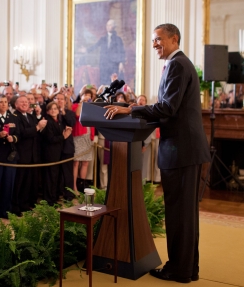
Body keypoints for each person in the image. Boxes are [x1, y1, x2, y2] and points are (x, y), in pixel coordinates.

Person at [104, 23, 210, 283]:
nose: (154, 45)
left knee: (179, 215)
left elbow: (167, 108)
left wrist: (131, 109)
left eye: (158, 39)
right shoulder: (180, 64)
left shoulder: (177, 65)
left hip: (181, 152)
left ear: (174, 39)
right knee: (184, 215)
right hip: (184, 151)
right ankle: (187, 269)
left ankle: (179, 270)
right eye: (152, 40)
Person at [0, 94, 20, 221]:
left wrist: (14, 138)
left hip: (10, 156)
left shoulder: (13, 117)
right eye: (1, 102)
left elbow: (19, 134)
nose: (3, 104)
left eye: (5, 102)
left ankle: (6, 210)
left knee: (8, 185)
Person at [12, 96, 46, 214]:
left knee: (29, 182)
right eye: (22, 102)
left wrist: (38, 120)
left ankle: (26, 204)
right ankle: (16, 206)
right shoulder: (15, 116)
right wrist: (37, 127)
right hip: (22, 154)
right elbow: (21, 133)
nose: (25, 103)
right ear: (16, 105)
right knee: (20, 182)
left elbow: (38, 132)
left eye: (26, 102)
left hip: (32, 154)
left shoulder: (30, 116)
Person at [40, 102, 72, 205]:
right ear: (48, 111)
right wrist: (64, 136)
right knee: (50, 178)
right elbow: (50, 139)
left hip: (57, 153)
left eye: (55, 108)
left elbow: (69, 123)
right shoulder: (48, 122)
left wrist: (65, 131)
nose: (53, 110)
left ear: (58, 110)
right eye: (51, 109)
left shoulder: (58, 121)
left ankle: (53, 198)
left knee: (55, 177)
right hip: (50, 153)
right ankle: (49, 200)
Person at [84, 19, 125, 85]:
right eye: (107, 25)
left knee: (113, 83)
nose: (108, 26)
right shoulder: (103, 39)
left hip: (113, 65)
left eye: (110, 25)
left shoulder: (118, 39)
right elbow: (96, 45)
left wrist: (121, 63)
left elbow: (121, 51)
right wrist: (86, 50)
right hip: (103, 65)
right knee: (103, 83)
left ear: (114, 27)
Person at [72, 90, 95, 194]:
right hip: (78, 136)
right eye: (85, 95)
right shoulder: (76, 105)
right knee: (76, 162)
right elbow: (77, 115)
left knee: (85, 162)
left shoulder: (91, 107)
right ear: (81, 96)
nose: (87, 97)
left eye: (89, 95)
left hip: (88, 135)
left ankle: (82, 186)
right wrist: (82, 103)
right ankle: (74, 187)